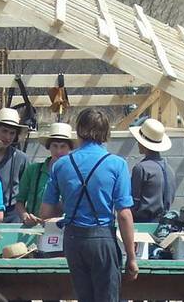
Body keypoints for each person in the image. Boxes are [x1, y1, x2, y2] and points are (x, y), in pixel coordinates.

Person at [41, 108, 138, 301]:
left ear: (79, 130)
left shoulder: (60, 164)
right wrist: (132, 257)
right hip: (102, 237)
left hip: (73, 240)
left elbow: (45, 211)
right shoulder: (117, 164)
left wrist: (71, 204)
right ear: (106, 133)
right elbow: (124, 214)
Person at [16, 122, 77, 226]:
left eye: (63, 146)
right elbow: (19, 200)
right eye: (55, 146)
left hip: (64, 228)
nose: (58, 151)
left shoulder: (76, 174)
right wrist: (25, 216)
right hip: (34, 227)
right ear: (49, 147)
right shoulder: (33, 170)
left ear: (69, 148)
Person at [0, 108, 30, 223]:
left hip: (12, 216)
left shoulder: (21, 159)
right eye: (4, 131)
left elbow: (26, 191)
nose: (8, 137)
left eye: (12, 133)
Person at [129, 118, 176, 223]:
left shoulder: (141, 168)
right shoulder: (169, 169)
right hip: (164, 222)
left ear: (143, 143)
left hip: (142, 222)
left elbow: (134, 201)